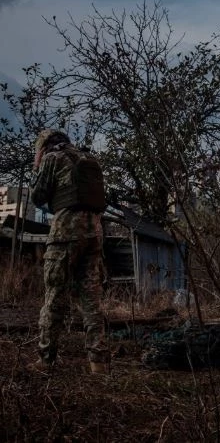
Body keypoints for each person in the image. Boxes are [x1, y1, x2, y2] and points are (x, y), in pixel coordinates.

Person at [29, 129, 110, 374]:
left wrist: (37, 166)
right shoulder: (89, 159)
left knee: (54, 296)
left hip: (66, 233)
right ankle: (98, 363)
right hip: (94, 232)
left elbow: (37, 196)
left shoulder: (52, 158)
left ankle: (46, 359)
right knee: (91, 299)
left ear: (43, 146)